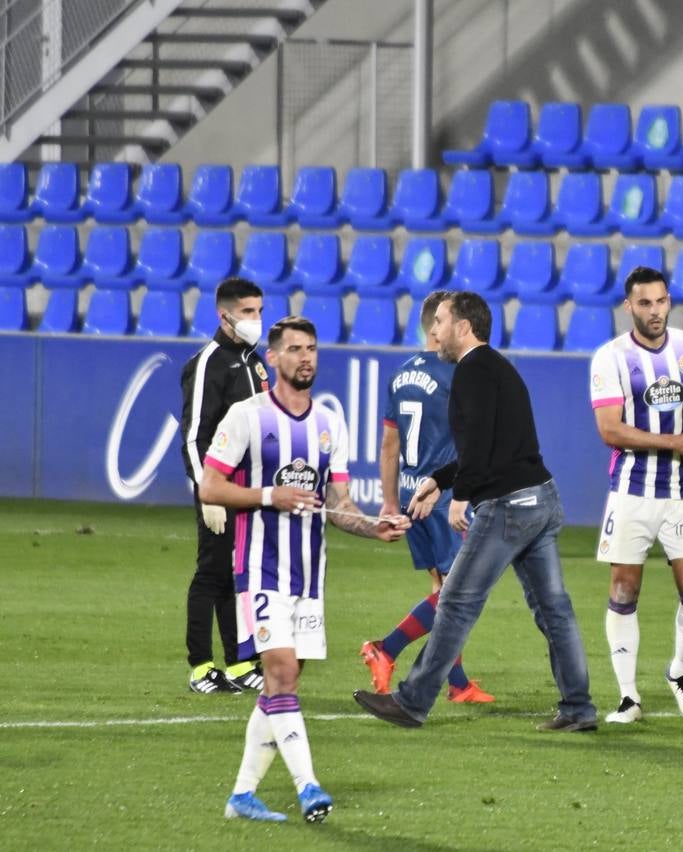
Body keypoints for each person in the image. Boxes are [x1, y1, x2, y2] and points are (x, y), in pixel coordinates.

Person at [352, 291, 596, 732]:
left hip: (507, 509)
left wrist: (460, 495)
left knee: (456, 603)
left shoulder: (471, 372)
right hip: (539, 499)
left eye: (442, 321)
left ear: (464, 327)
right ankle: (578, 707)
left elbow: (479, 443)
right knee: (553, 609)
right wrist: (438, 481)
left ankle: (411, 701)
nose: (435, 330)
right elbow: (490, 445)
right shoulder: (497, 368)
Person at [199, 316, 409, 822]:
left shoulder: (328, 424)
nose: (305, 356)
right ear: (272, 358)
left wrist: (373, 527)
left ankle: (242, 795)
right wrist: (272, 495)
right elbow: (210, 487)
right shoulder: (245, 417)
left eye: (311, 348)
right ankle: (308, 786)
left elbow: (339, 505)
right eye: (294, 348)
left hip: (308, 579)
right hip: (259, 569)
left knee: (280, 686)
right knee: (283, 673)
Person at [589, 266, 683, 724]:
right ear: (629, 306)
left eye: (661, 301)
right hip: (631, 491)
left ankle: (680, 671)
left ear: (670, 301)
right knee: (623, 588)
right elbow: (610, 430)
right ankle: (628, 696)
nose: (655, 311)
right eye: (645, 303)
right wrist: (679, 443)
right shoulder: (609, 358)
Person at [360, 291, 493, 704]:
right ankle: (386, 648)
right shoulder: (458, 373)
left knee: (445, 590)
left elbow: (388, 444)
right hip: (443, 492)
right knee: (459, 591)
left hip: (409, 493)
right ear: (441, 325)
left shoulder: (400, 375)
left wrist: (387, 502)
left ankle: (457, 684)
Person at [179, 277, 269, 694]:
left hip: (248, 490)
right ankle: (200, 667)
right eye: (249, 312)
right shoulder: (208, 363)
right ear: (225, 314)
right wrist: (205, 490)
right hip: (219, 487)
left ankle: (238, 662)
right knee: (211, 573)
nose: (257, 319)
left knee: (240, 576)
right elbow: (194, 436)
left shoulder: (253, 361)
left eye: (259, 311)